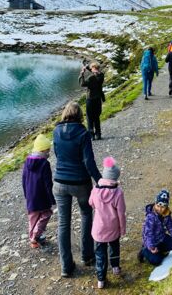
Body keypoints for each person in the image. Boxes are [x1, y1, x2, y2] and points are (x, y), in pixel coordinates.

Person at [53, 101, 102, 278]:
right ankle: (87, 256)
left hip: (59, 182)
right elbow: (89, 162)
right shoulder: (83, 133)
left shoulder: (56, 131)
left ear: (65, 114)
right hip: (80, 182)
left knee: (63, 223)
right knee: (86, 215)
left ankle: (66, 267)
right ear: (80, 115)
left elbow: (58, 155)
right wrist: (100, 181)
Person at [89, 156, 126, 289]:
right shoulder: (118, 193)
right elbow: (121, 213)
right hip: (113, 229)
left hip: (99, 230)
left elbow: (91, 203)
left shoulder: (95, 189)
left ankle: (101, 280)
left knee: (100, 254)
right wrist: (122, 229)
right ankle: (115, 267)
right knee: (114, 248)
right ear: (115, 177)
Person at [22, 134, 55, 249]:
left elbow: (24, 179)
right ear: (43, 150)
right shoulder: (45, 163)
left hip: (30, 196)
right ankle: (35, 236)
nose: (49, 152)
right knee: (46, 214)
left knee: (33, 217)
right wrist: (51, 198)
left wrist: (26, 194)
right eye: (48, 150)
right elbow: (48, 183)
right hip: (42, 196)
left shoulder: (27, 161)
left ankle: (33, 238)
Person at [138, 189, 172, 266]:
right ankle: (144, 251)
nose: (160, 209)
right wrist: (151, 247)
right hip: (151, 241)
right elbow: (148, 234)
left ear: (166, 206)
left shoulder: (166, 215)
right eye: (158, 206)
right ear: (155, 204)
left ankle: (159, 250)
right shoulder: (150, 217)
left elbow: (171, 227)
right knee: (157, 261)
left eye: (163, 207)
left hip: (161, 238)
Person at [79, 61, 105, 140]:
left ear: (93, 68)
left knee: (89, 118)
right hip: (98, 99)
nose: (91, 69)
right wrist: (87, 67)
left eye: (91, 68)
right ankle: (98, 134)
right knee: (96, 117)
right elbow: (95, 72)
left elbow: (82, 84)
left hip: (90, 100)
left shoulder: (91, 78)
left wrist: (82, 74)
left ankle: (91, 135)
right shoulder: (101, 75)